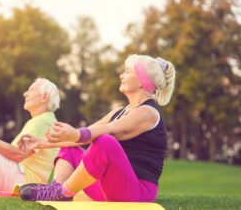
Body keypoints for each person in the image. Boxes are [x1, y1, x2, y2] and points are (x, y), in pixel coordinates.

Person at [18, 54, 176, 202]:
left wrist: (75, 133)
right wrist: (40, 143)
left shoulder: (148, 113)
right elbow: (85, 135)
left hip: (138, 193)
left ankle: (62, 192)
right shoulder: (119, 111)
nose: (121, 75)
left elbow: (113, 130)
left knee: (105, 142)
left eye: (127, 72)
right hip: (109, 186)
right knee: (70, 147)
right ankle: (56, 190)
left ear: (142, 80)